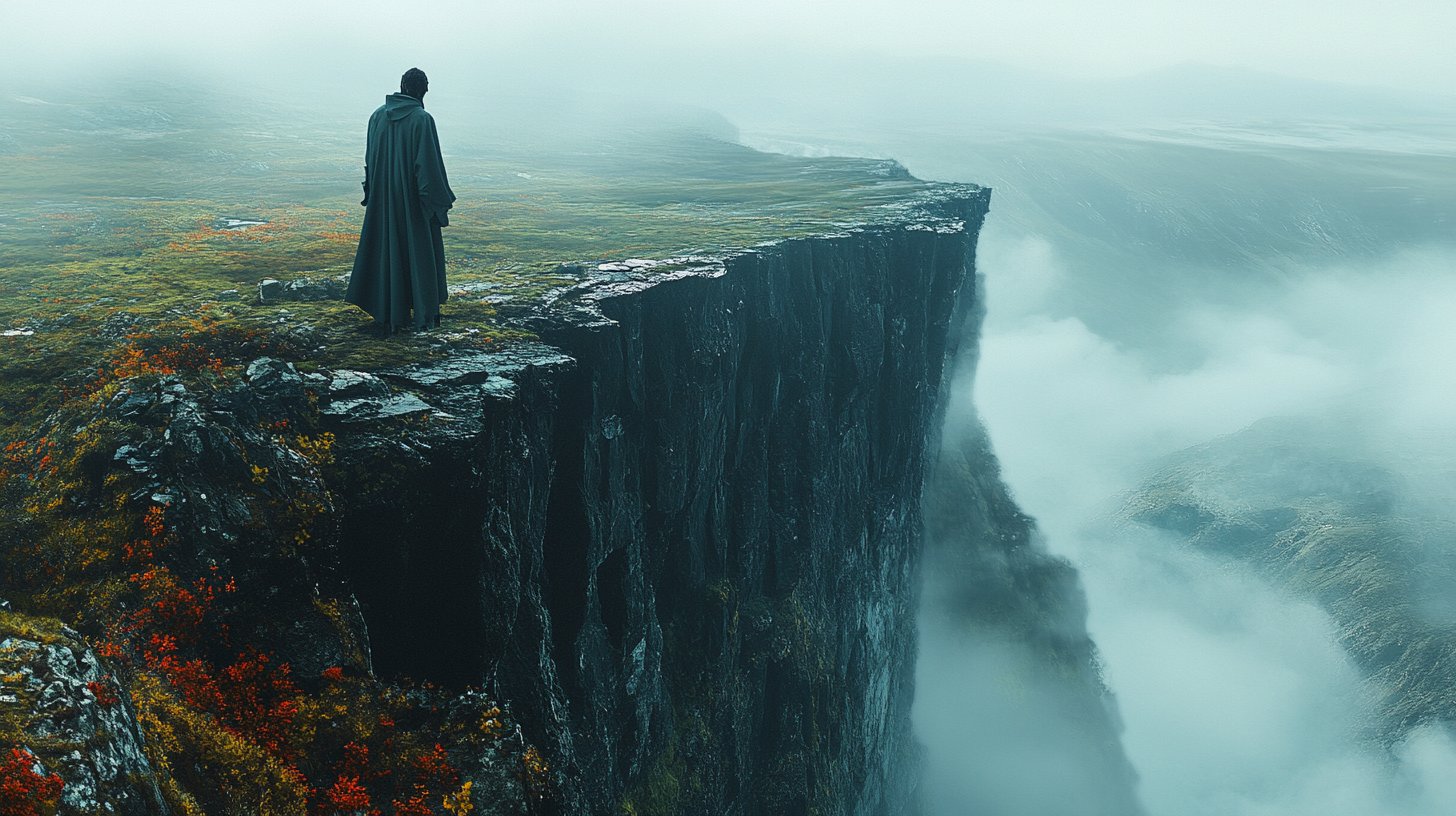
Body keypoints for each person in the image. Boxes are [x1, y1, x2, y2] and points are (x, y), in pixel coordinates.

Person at [346, 67, 456, 336]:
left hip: (383, 202)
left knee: (387, 252)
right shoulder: (422, 119)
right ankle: (421, 315)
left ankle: (388, 313)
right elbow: (428, 168)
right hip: (412, 204)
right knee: (418, 256)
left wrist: (374, 193)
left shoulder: (376, 116)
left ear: (402, 86)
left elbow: (370, 160)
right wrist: (437, 203)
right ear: (422, 90)